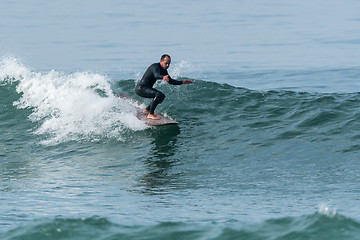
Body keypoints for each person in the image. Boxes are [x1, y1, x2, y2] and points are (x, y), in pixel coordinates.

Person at [135, 54, 192, 120]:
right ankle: (150, 114)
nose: (168, 65)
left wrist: (182, 82)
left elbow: (171, 81)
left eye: (169, 64)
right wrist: (163, 77)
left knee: (162, 96)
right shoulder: (155, 67)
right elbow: (156, 75)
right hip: (141, 88)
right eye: (166, 63)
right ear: (161, 61)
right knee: (158, 94)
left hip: (146, 88)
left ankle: (147, 110)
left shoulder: (164, 70)